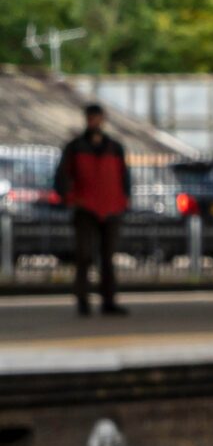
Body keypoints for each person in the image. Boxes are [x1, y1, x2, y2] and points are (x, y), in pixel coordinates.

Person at [55, 104, 130, 317]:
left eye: (97, 118)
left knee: (107, 257)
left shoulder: (115, 147)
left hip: (111, 207)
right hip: (85, 207)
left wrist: (123, 199)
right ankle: (83, 300)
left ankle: (108, 299)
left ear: (102, 119)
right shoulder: (75, 147)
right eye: (91, 118)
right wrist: (69, 198)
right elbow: (62, 176)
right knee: (84, 255)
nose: (94, 122)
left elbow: (124, 176)